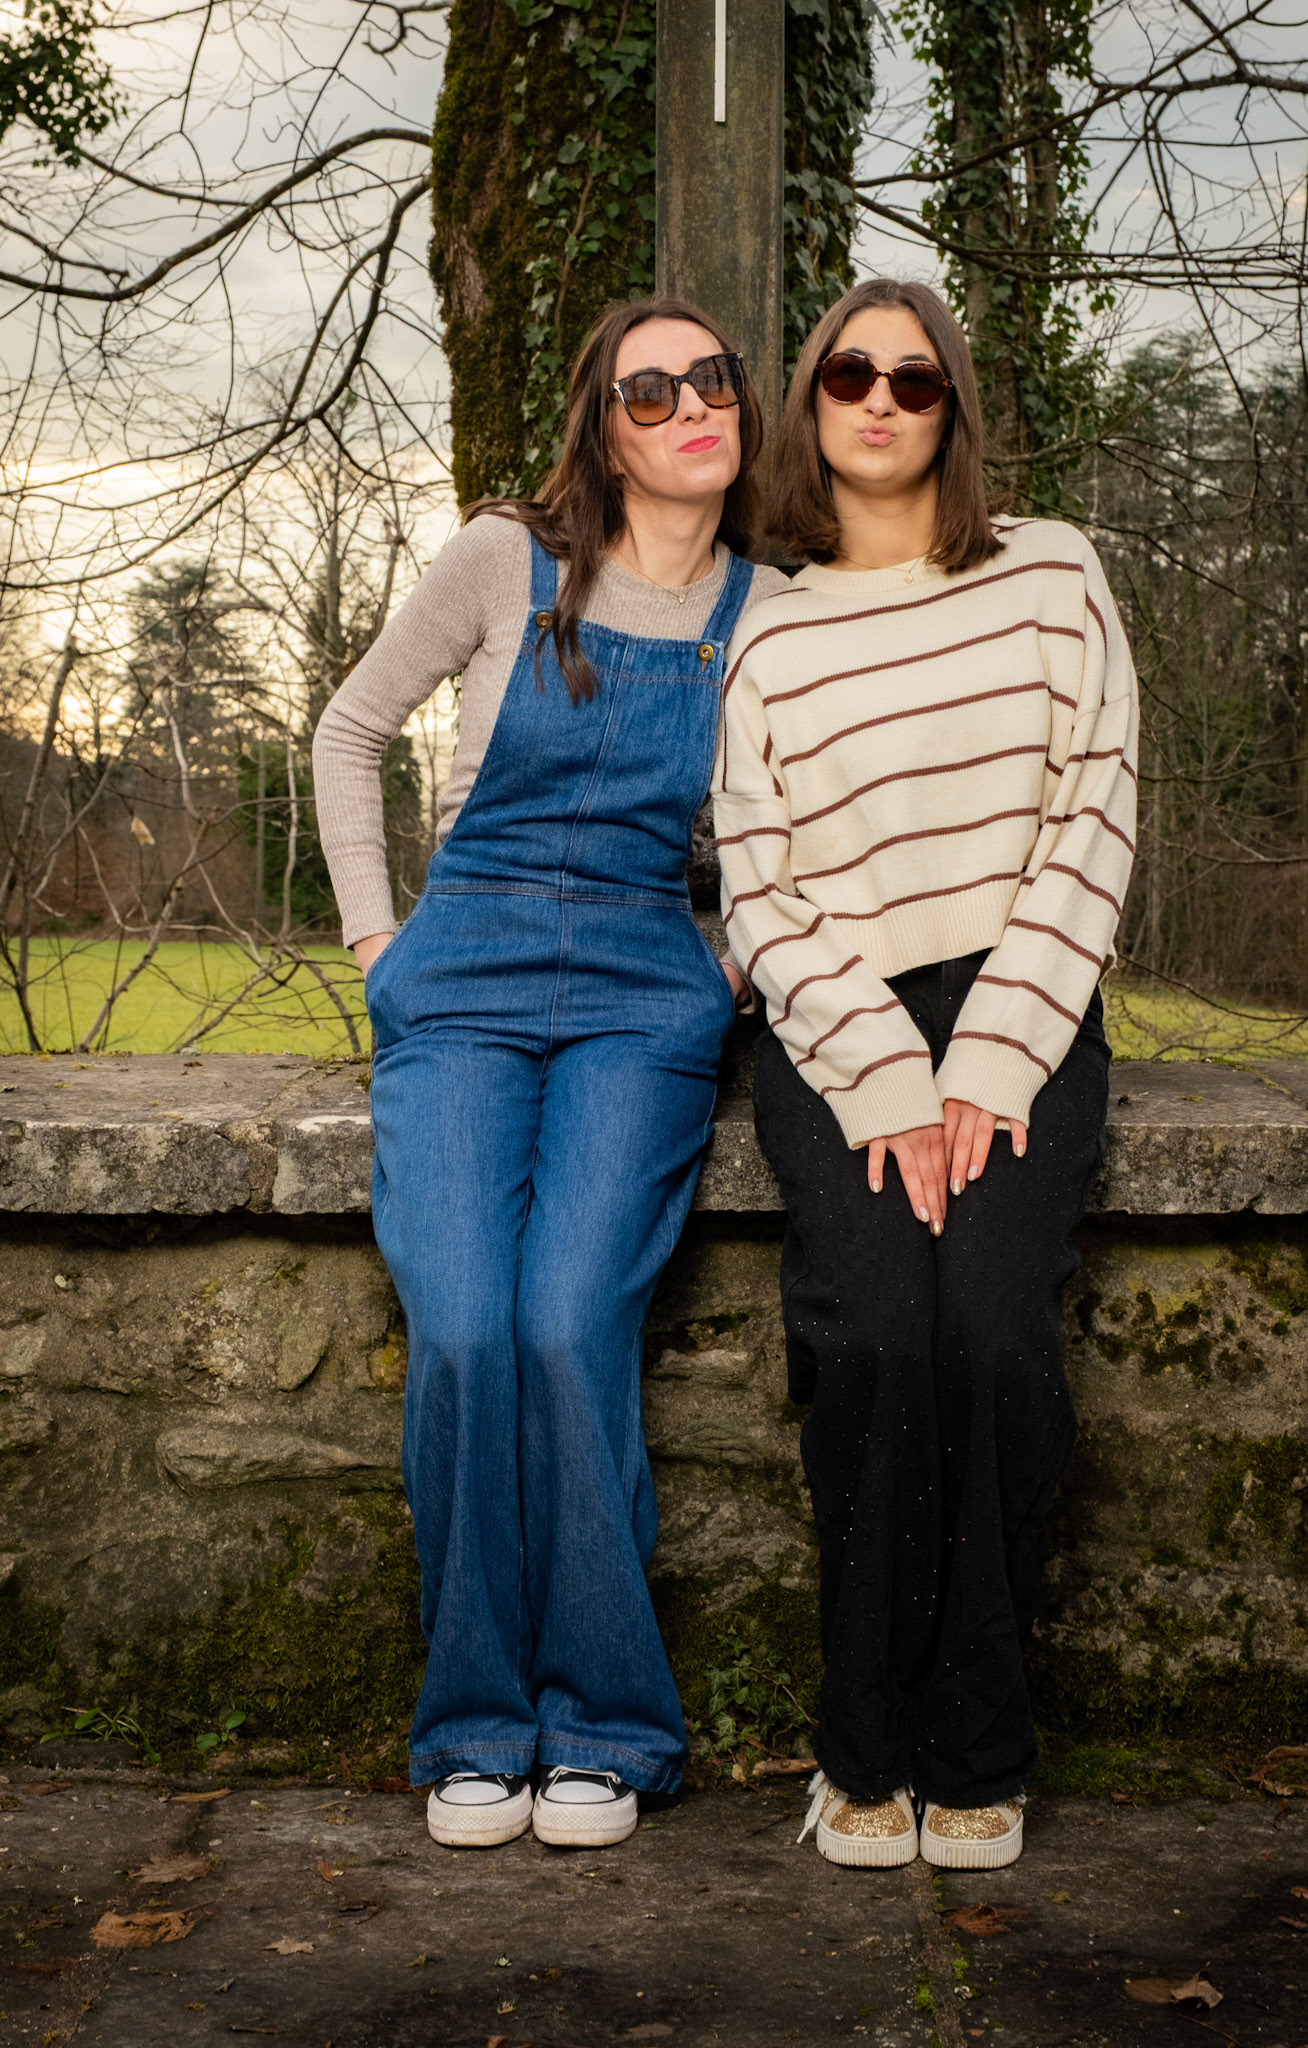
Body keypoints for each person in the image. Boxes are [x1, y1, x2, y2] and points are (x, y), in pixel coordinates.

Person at [313, 297, 788, 1851]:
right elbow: (349, 730)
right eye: (649, 391)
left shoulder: (769, 612)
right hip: (462, 973)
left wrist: (732, 967)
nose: (688, 406)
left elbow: (811, 816)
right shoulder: (501, 561)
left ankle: (602, 1723)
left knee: (569, 1321)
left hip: (645, 992)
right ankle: (471, 1722)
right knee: (462, 1324)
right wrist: (379, 942)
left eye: (711, 380)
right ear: (605, 428)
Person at [714, 277, 1138, 1871]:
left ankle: (978, 1744)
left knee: (993, 1338)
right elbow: (760, 885)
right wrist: (889, 1078)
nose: (879, 401)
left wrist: (994, 1052)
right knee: (878, 1333)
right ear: (809, 403)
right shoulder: (770, 627)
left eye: (913, 378)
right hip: (839, 1024)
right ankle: (861, 1747)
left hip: (1026, 1002)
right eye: (847, 375)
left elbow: (1090, 816)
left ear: (951, 403)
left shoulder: (1049, 572)